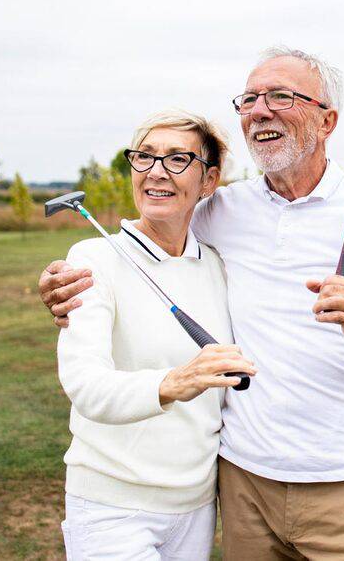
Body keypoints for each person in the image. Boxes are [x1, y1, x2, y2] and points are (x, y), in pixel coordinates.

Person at [40, 46, 344, 560]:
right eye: (250, 100)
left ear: (327, 120)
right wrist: (66, 285)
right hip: (242, 486)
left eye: (281, 97)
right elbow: (147, 242)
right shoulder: (221, 211)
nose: (260, 111)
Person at [56, 109, 258, 559]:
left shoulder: (220, 268)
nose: (156, 173)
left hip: (198, 506)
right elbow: (86, 387)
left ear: (208, 182)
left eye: (177, 160)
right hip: (112, 507)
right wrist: (175, 381)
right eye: (144, 157)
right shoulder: (92, 258)